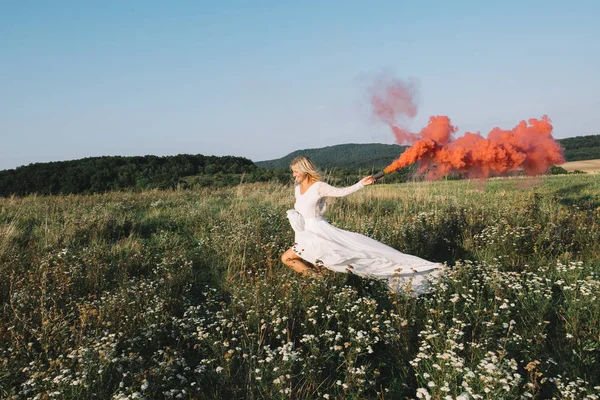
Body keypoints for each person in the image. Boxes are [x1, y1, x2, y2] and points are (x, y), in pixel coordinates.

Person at [281, 156, 443, 295]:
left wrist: (360, 184)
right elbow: (300, 216)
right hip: (305, 233)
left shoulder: (319, 187)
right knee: (317, 263)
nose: (294, 175)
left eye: (296, 171)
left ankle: (322, 283)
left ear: (305, 170)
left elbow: (342, 192)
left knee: (290, 258)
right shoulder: (297, 189)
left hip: (321, 232)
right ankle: (323, 284)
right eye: (293, 171)